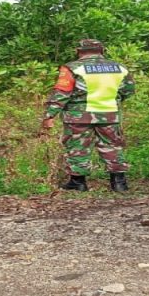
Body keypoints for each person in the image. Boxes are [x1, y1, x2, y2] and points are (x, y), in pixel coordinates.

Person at [42, 39, 136, 192]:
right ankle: (119, 183)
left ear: (78, 51)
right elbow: (128, 90)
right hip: (110, 114)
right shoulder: (119, 67)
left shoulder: (72, 68)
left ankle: (78, 182)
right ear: (102, 51)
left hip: (79, 116)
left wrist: (49, 115)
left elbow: (62, 93)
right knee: (112, 146)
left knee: (78, 147)